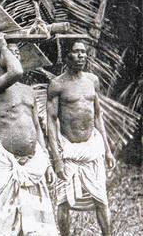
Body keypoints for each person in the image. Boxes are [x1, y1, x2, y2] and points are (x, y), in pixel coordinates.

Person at [0, 33, 57, 236]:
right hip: (10, 161)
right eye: (11, 54)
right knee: (9, 223)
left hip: (35, 159)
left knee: (37, 222)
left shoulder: (27, 90)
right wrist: (2, 44)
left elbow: (36, 126)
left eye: (18, 54)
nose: (16, 58)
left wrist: (47, 161)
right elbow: (15, 71)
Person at [47, 40, 116, 236]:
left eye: (83, 52)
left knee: (101, 199)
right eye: (76, 52)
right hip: (68, 149)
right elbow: (51, 122)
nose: (81, 56)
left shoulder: (92, 80)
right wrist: (57, 159)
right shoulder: (57, 84)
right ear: (66, 56)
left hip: (92, 147)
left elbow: (97, 115)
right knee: (63, 201)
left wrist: (108, 150)